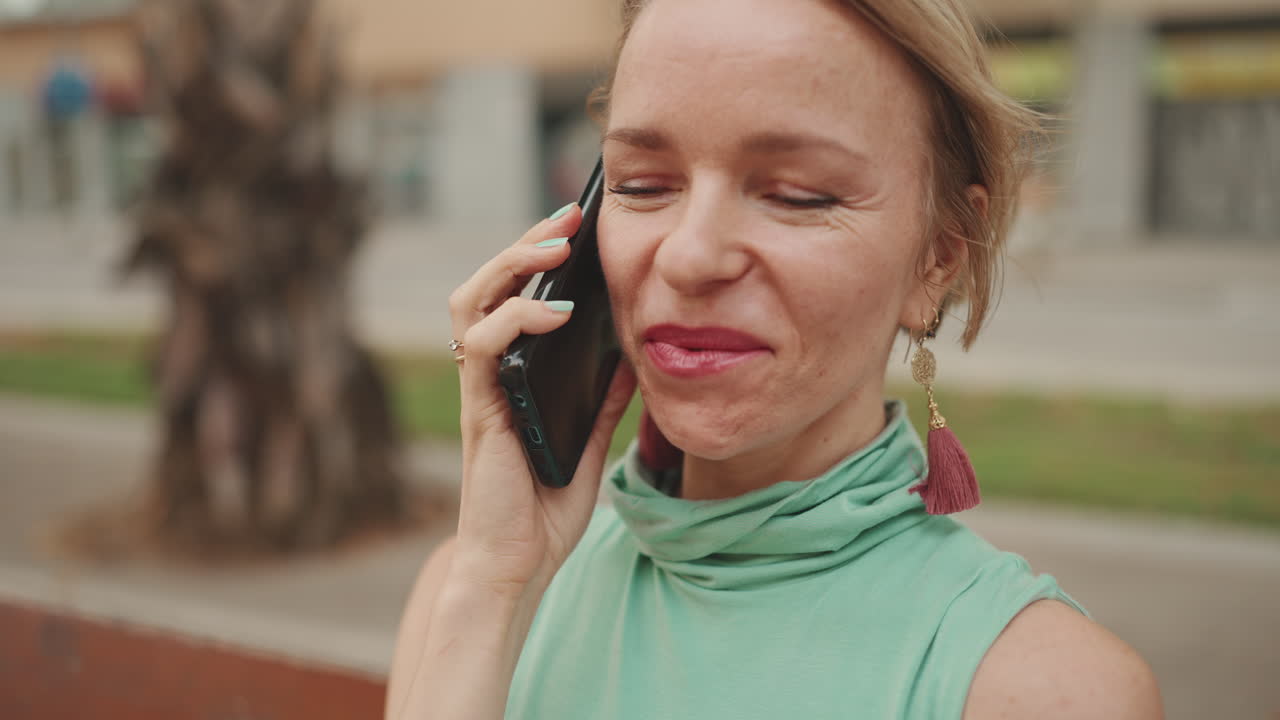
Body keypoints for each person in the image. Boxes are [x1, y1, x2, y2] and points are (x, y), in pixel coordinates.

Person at [386, 0, 1164, 718]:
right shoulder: (470, 598)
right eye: (643, 183)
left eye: (798, 195)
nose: (690, 257)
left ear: (938, 260)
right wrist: (491, 591)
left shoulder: (1046, 689)